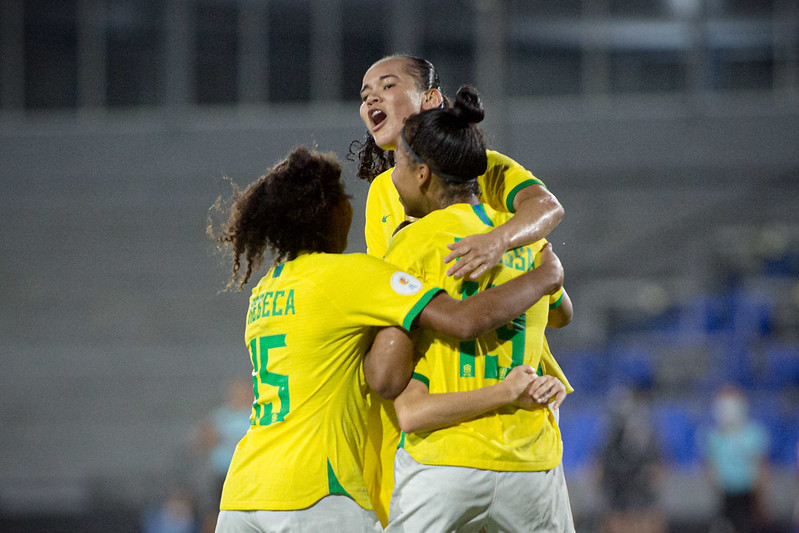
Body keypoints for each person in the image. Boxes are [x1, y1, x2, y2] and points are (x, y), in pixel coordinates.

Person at [207, 146, 566, 532]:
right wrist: (545, 278)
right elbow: (462, 321)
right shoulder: (352, 276)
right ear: (326, 212)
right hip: (314, 490)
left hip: (243, 490)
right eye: (344, 200)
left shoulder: (265, 292)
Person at [352, 54, 573, 523]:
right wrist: (540, 277)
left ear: (431, 98)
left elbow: (547, 206)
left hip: (463, 422)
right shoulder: (381, 194)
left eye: (387, 86)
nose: (371, 97)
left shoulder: (483, 168)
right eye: (365, 93)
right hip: (474, 416)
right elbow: (560, 308)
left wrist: (498, 242)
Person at [698, 384, 771, 533]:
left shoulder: (754, 433)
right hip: (725, 494)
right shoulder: (713, 436)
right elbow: (710, 466)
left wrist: (761, 499)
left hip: (748, 493)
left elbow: (761, 466)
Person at [597, 384, 666, 533]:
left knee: (645, 516)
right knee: (618, 517)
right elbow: (602, 461)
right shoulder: (611, 437)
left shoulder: (645, 433)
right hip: (617, 486)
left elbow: (656, 462)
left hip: (640, 484)